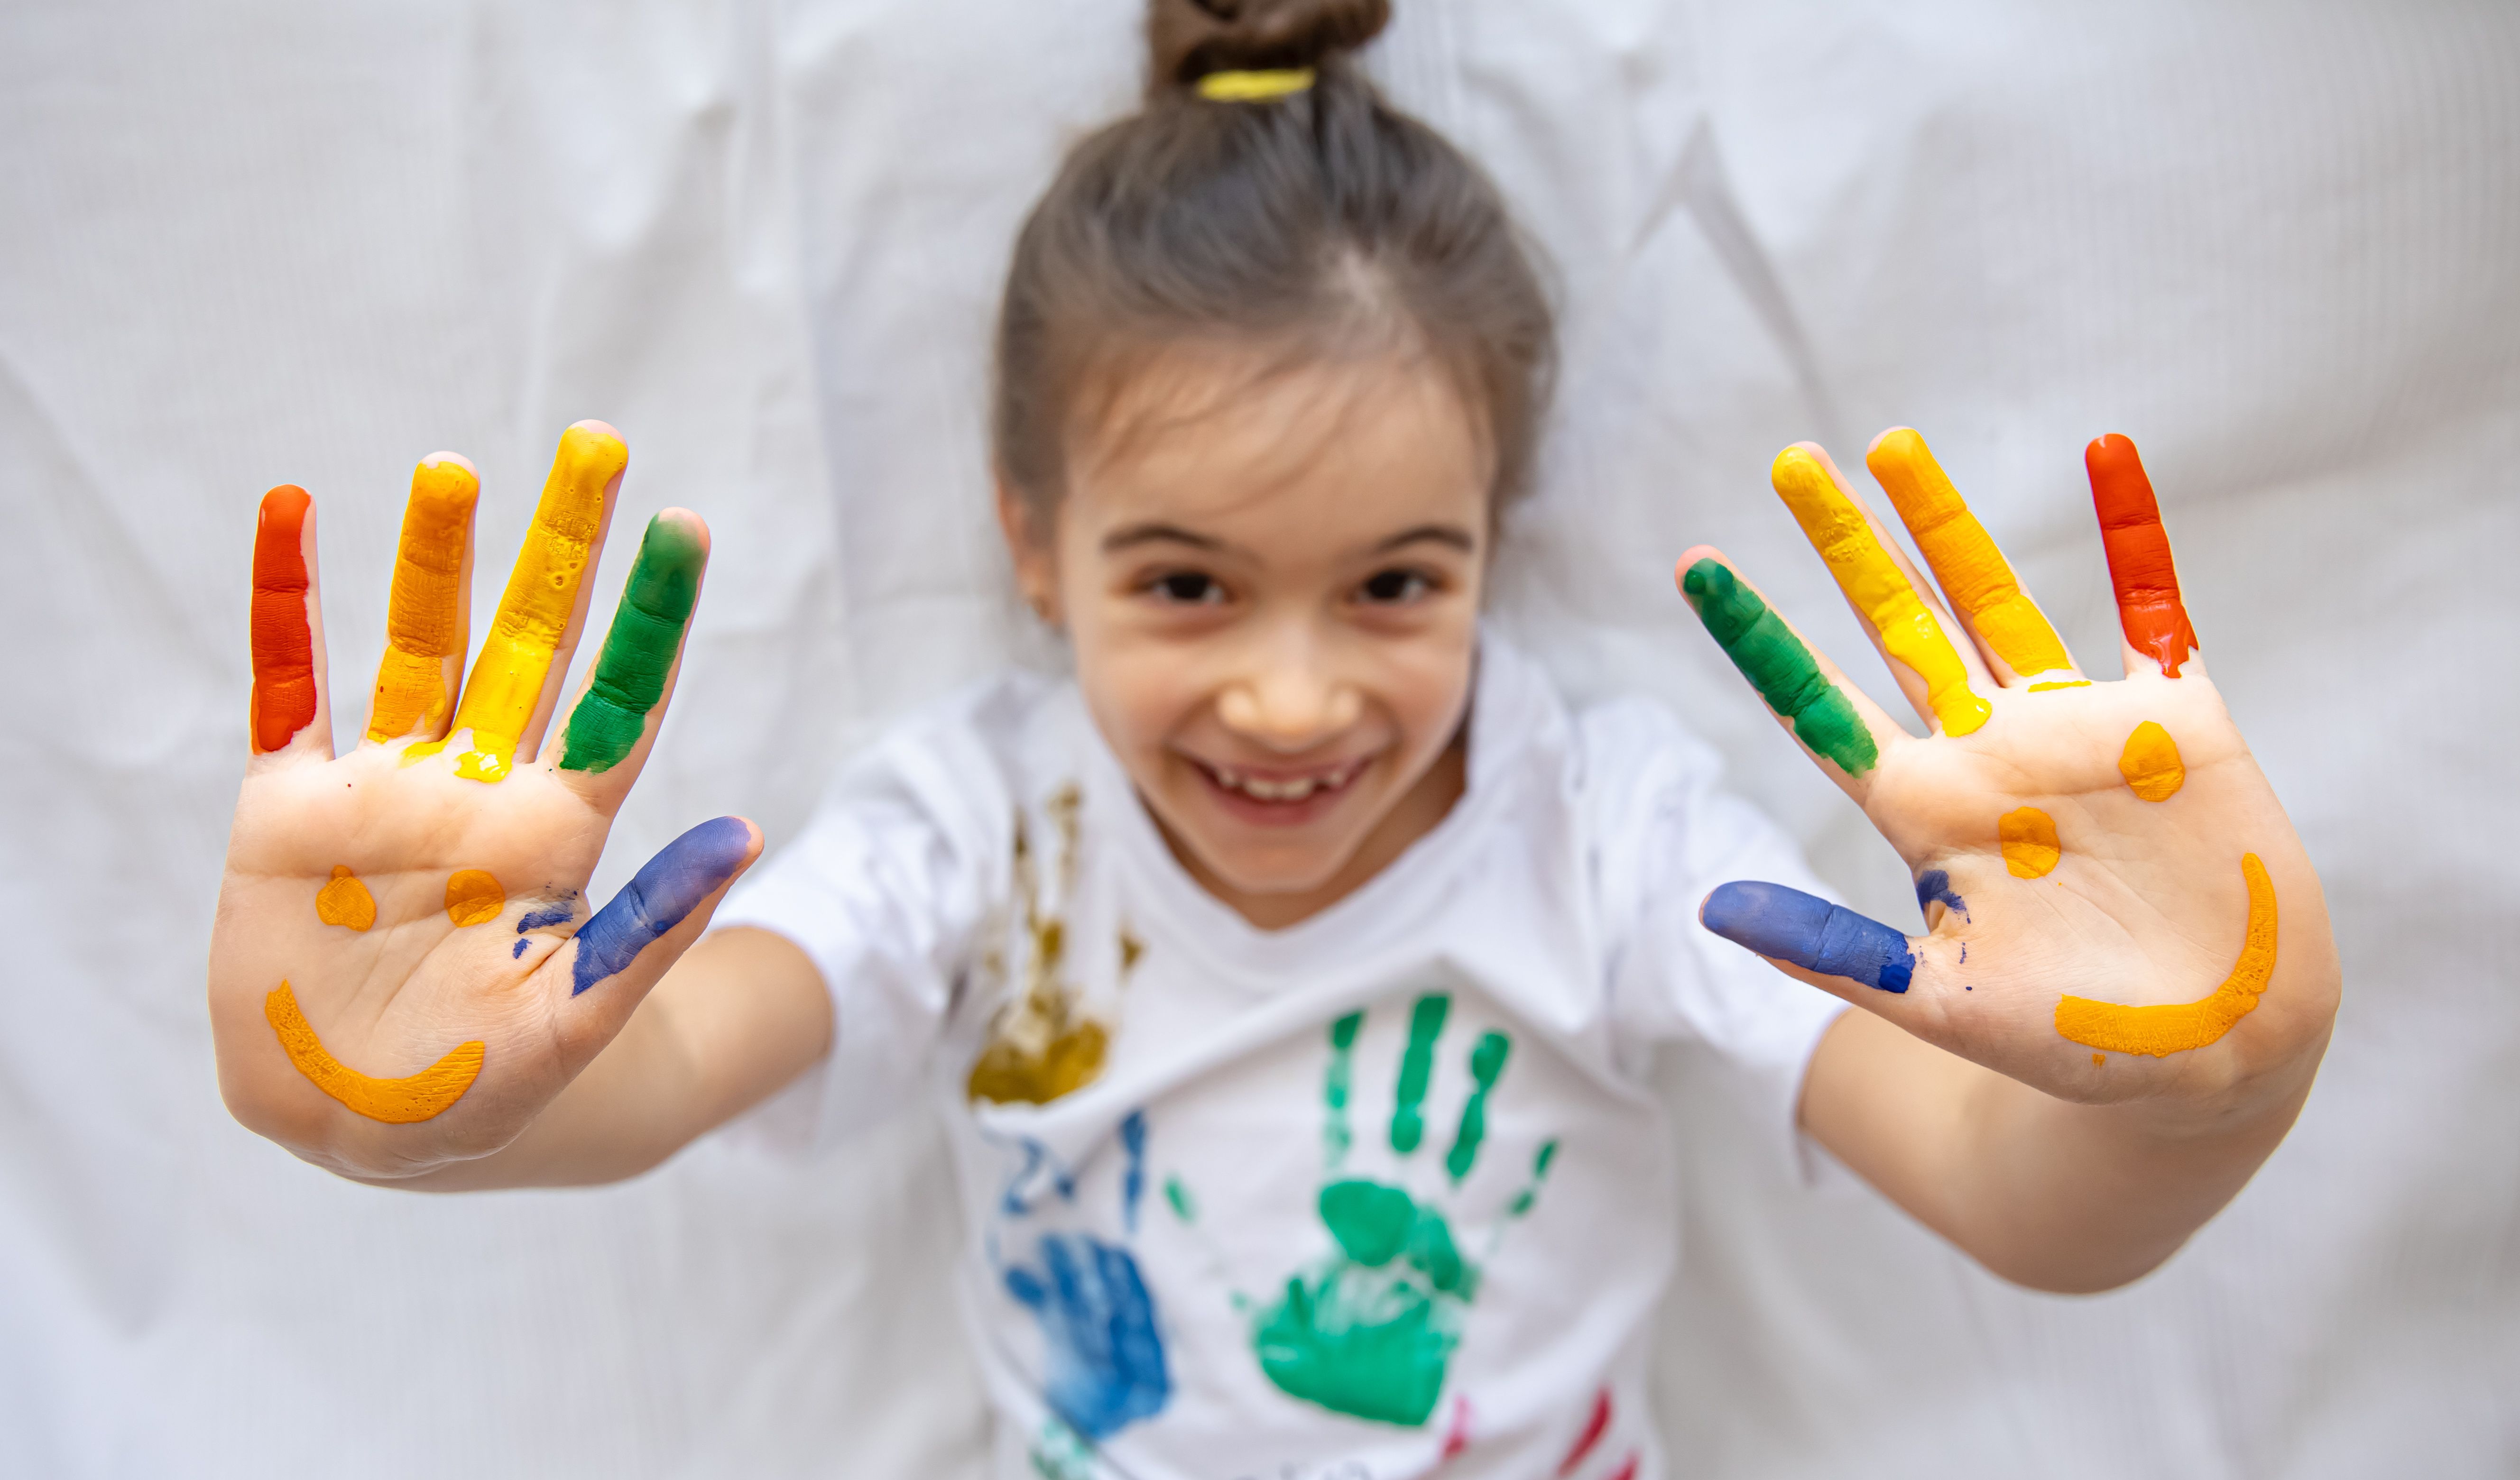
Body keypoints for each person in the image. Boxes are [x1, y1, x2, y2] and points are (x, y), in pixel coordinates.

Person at [204, 1, 2340, 1474]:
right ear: (1033, 546)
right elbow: (654, 1069)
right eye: (1189, 584)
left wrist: (2205, 1087)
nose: (1299, 697)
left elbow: (2025, 1204)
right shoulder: (978, 827)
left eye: (1399, 585)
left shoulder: (1605, 829)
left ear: (1499, 545)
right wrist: (388, 1089)